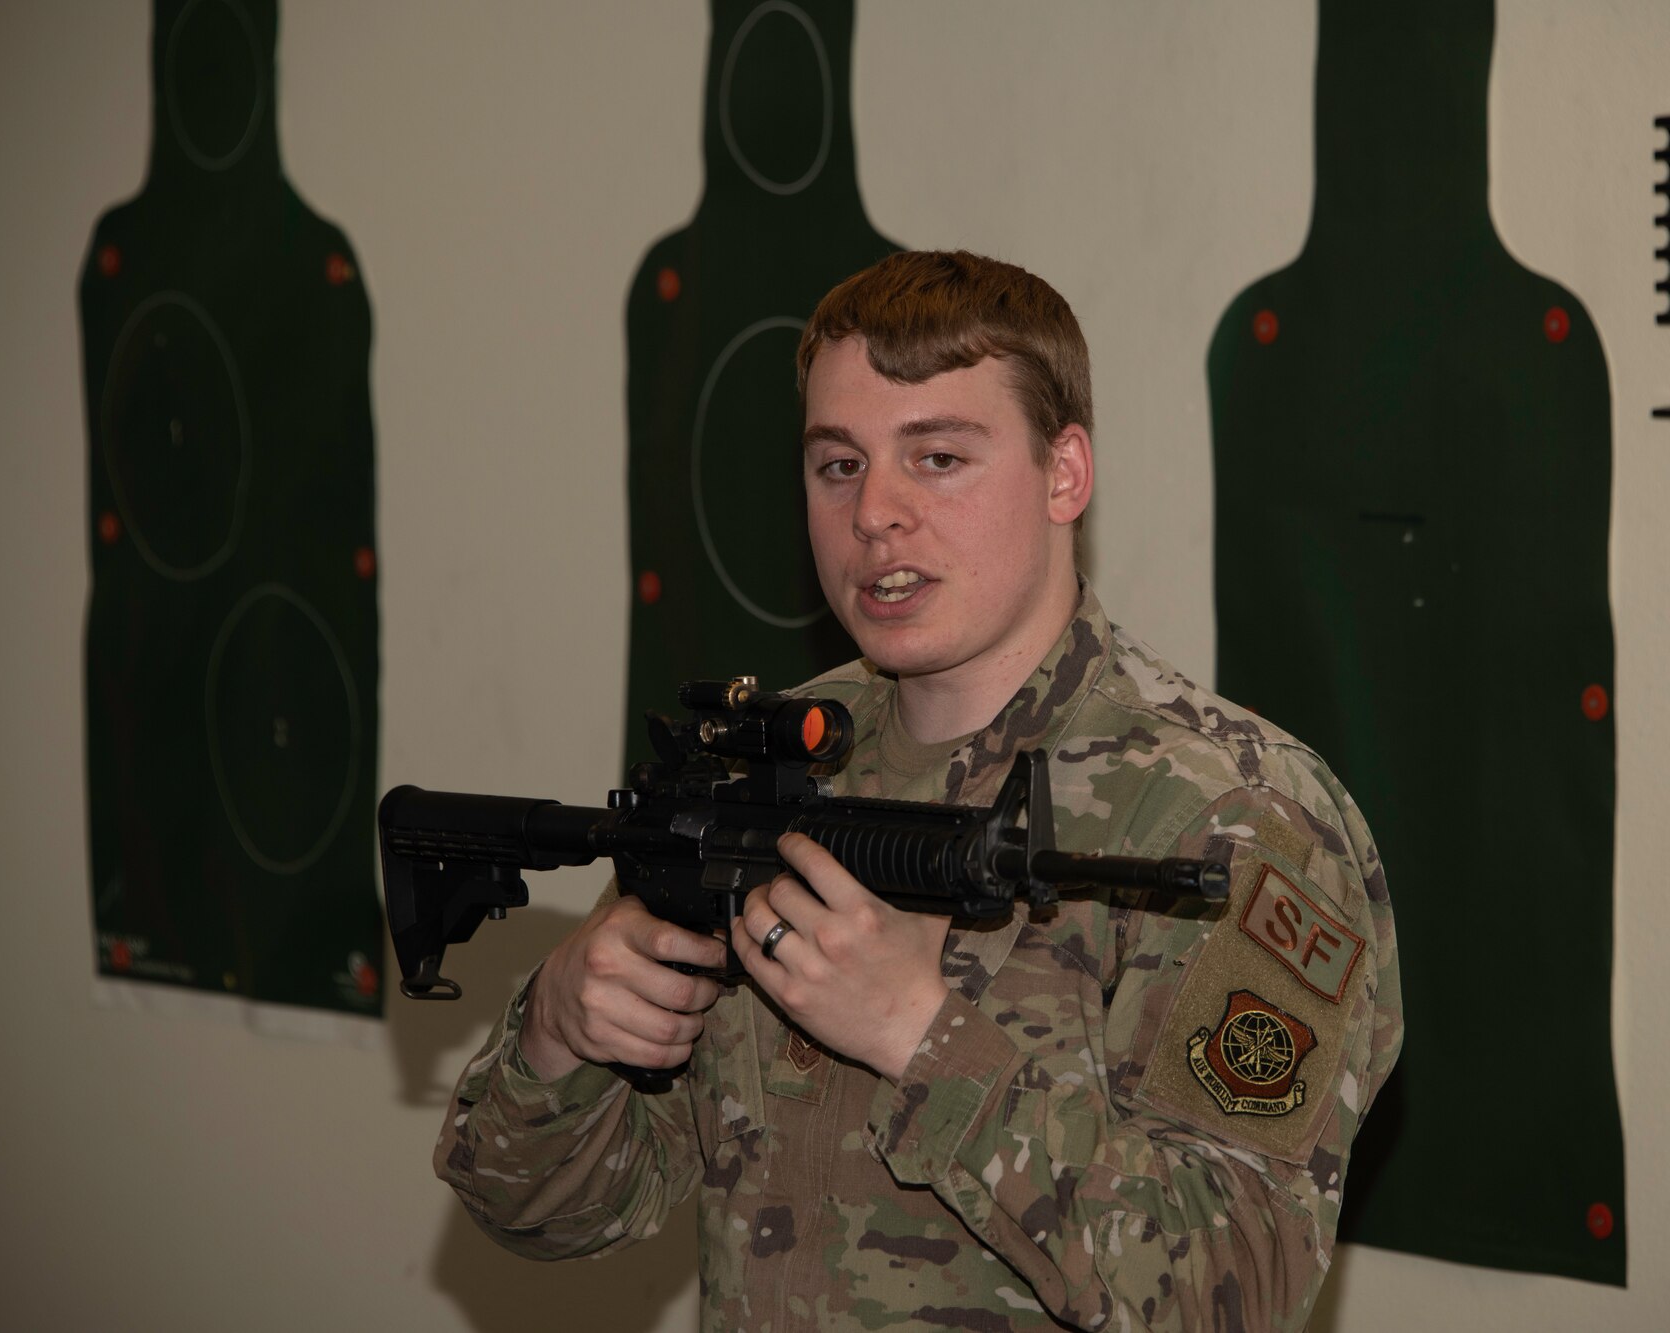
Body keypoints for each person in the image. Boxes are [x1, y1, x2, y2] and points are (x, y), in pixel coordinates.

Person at [436, 251, 1403, 1332]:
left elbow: (1238, 1291)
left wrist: (921, 1032)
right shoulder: (773, 765)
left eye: (937, 457)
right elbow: (544, 1213)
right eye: (837, 465)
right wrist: (558, 1031)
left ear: (1063, 473)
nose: (875, 513)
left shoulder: (1236, 816)